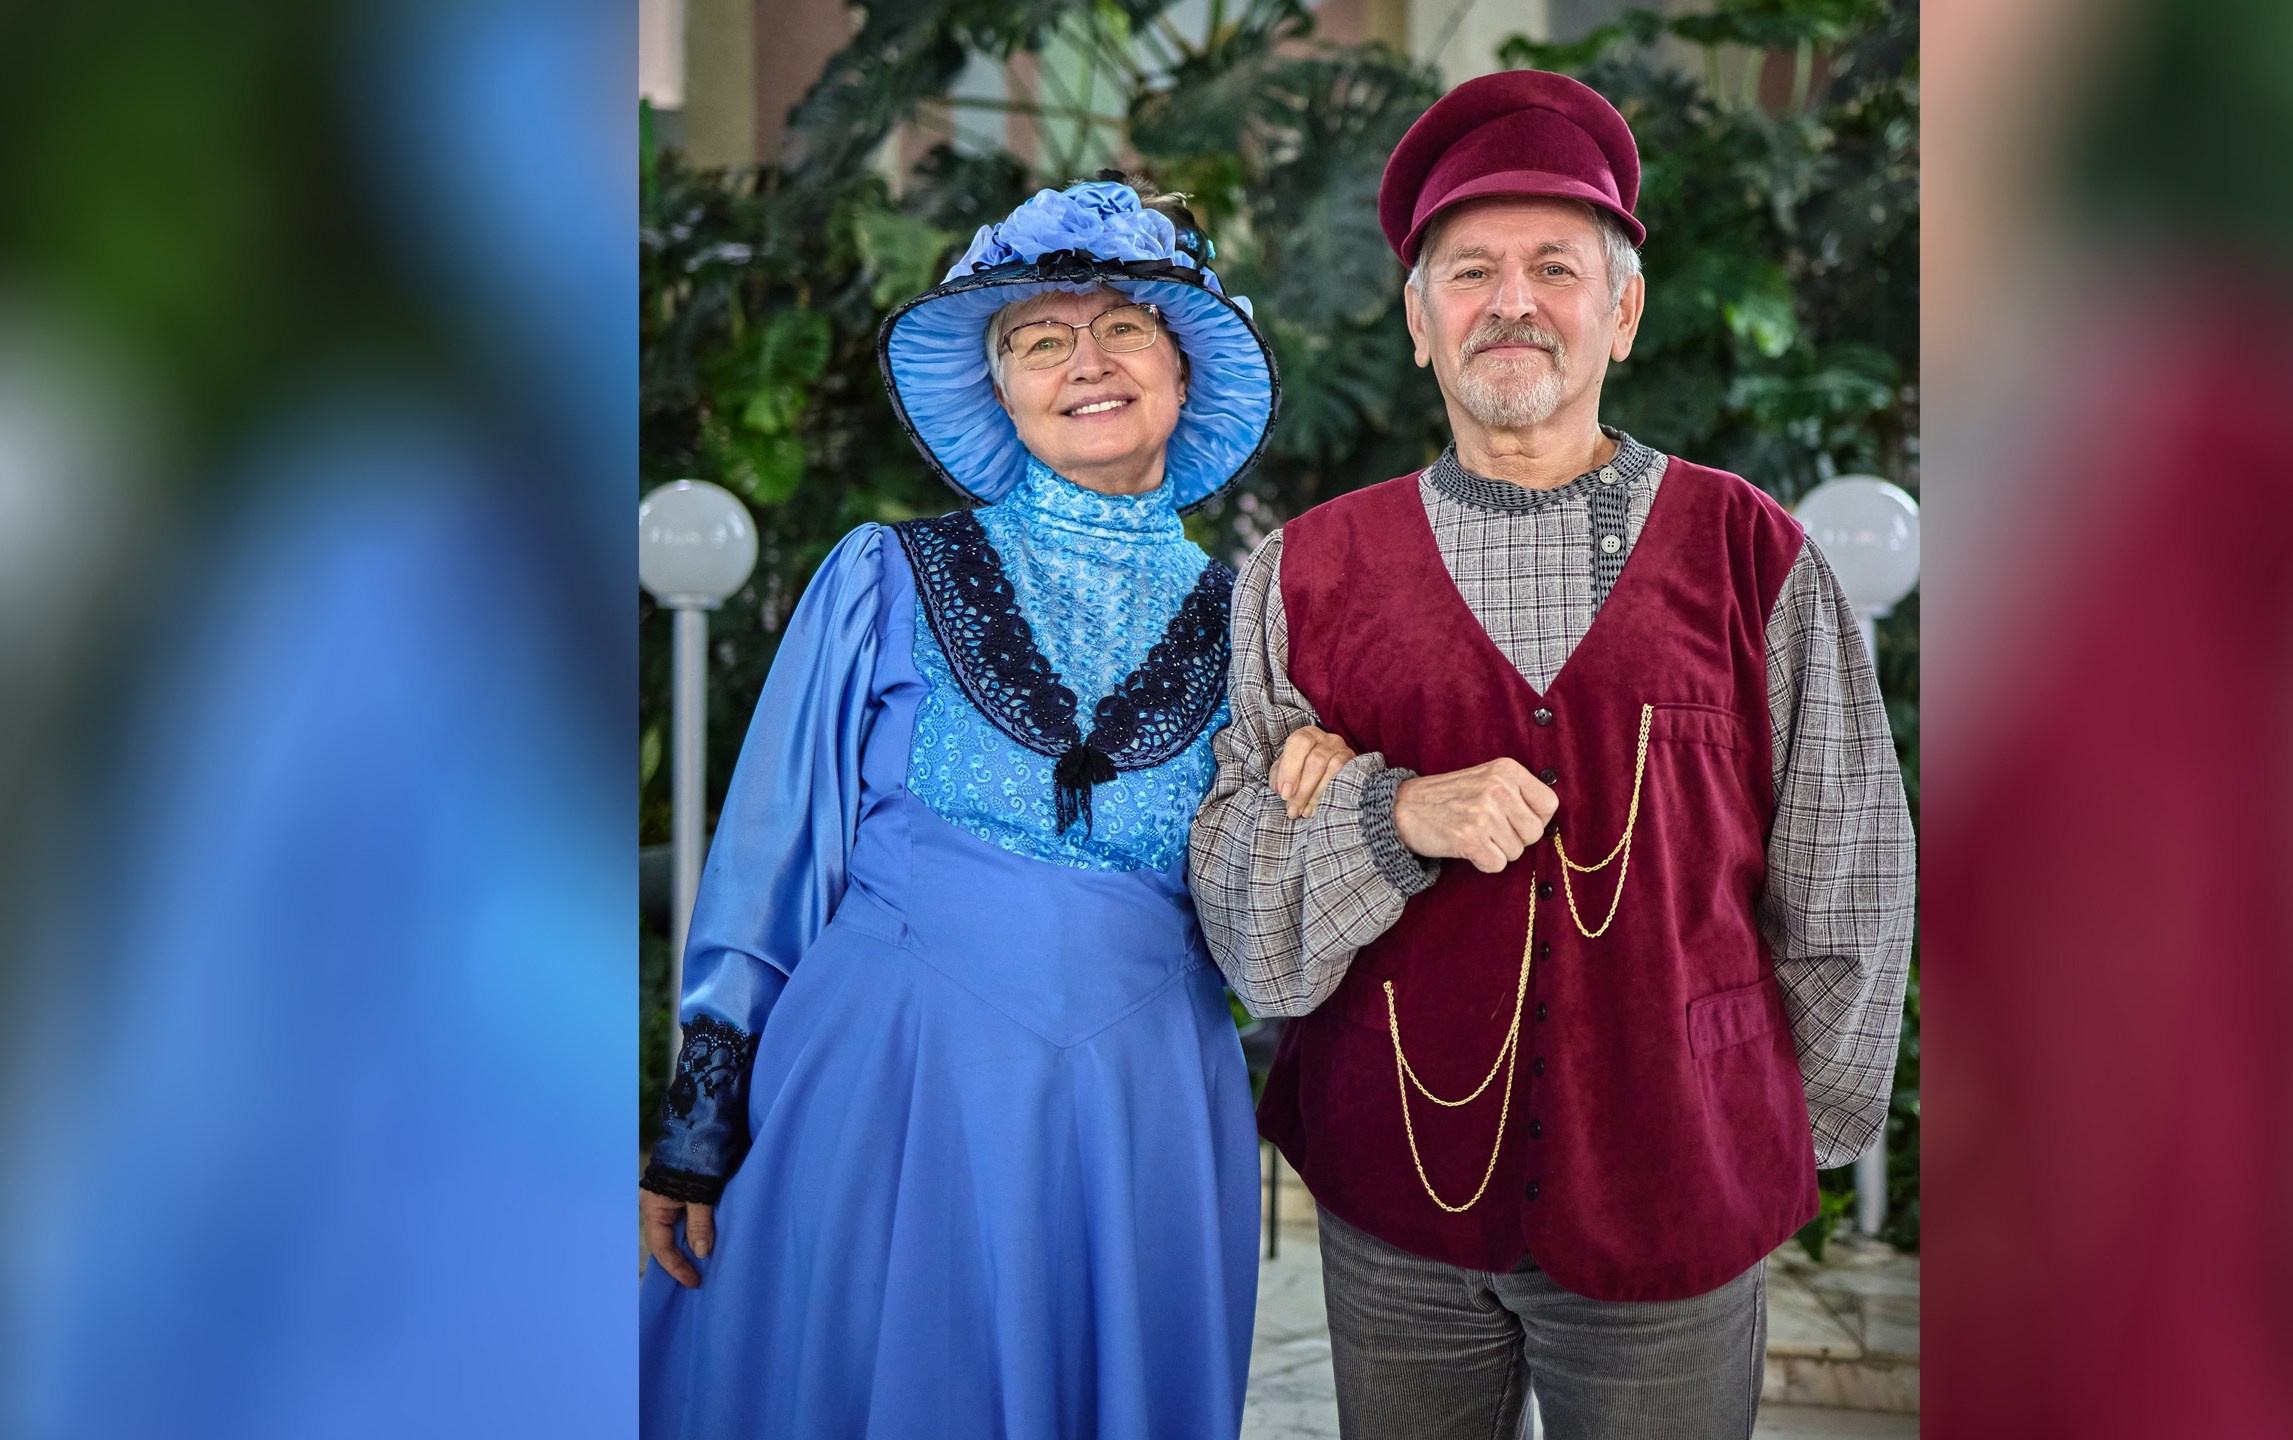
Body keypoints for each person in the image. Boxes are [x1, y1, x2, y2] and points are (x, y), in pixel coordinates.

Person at [1190, 72, 1916, 1440]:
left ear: (1622, 311)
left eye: (1553, 267)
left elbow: (1854, 873)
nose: (1511, 301)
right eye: (1468, 270)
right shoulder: (1304, 574)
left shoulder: (1753, 554)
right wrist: (1386, 814)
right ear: (1416, 323)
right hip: (1392, 1204)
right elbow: (1246, 916)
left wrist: (1763, 1133)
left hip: (1672, 1203)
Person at [639, 177, 1281, 1440]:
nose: (1084, 362)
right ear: (999, 390)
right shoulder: (884, 578)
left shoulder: (1266, 623)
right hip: (882, 1091)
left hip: (1137, 1116)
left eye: (1122, 329)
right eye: (1041, 339)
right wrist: (696, 1129)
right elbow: (771, 858)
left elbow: (1278, 889)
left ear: (1183, 369)